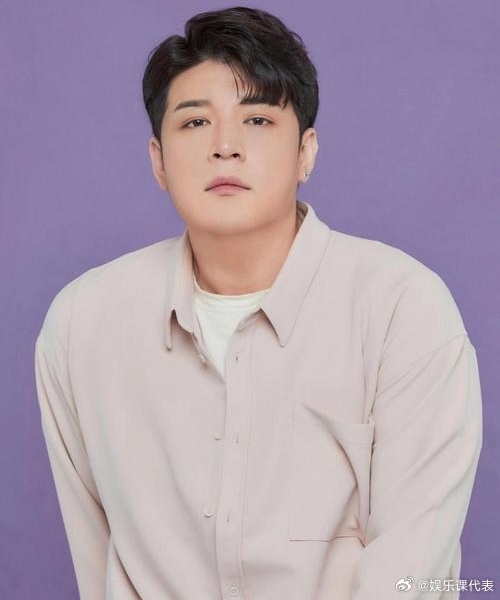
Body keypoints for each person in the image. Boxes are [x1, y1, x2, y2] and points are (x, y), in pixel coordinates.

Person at [34, 6, 482, 600]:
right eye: (196, 122)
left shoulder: (403, 308)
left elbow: (412, 572)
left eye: (258, 119)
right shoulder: (82, 325)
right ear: (158, 160)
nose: (225, 147)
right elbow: (96, 563)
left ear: (306, 153)